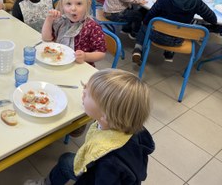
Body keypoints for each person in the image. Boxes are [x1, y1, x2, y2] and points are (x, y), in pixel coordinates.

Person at [24, 68, 154, 185]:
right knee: (65, 160)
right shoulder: (122, 124)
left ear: (105, 115)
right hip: (98, 167)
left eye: (88, 94)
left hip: (97, 176)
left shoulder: (110, 164)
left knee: (65, 162)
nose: (84, 91)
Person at [132, 0, 217, 63]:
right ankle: (169, 53)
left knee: (145, 24)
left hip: (156, 36)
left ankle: (138, 48)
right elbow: (213, 19)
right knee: (178, 26)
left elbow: (148, 18)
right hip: (178, 40)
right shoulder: (196, 1)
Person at [42, 0, 106, 66]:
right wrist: (49, 19)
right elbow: (46, 38)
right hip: (59, 61)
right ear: (62, 5)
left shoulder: (92, 27)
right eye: (68, 4)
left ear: (88, 4)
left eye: (79, 3)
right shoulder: (61, 21)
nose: (73, 8)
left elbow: (101, 53)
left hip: (81, 66)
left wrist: (85, 56)